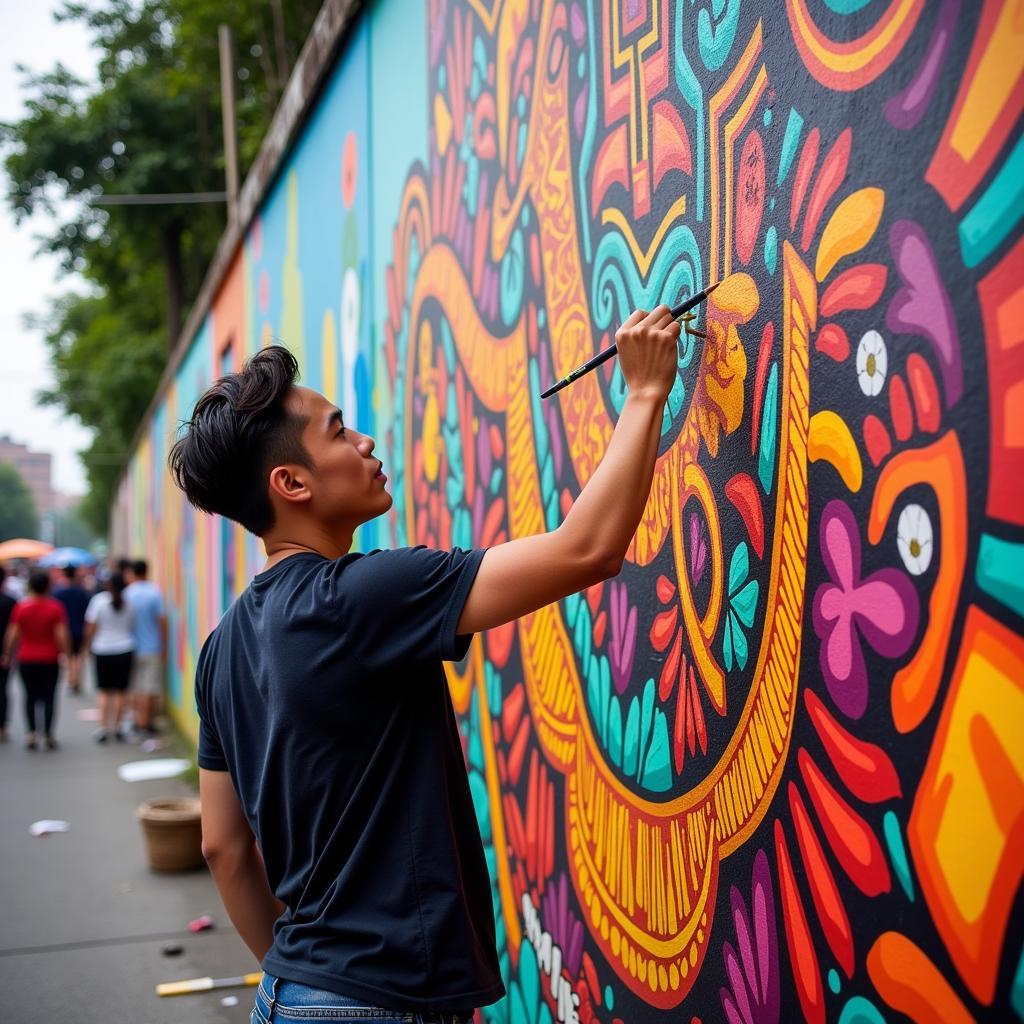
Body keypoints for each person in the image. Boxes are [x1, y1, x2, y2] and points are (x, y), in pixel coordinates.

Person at [169, 308, 682, 1024]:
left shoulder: (221, 649)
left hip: (291, 996)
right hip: (380, 1000)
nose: (365, 440)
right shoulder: (358, 596)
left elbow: (223, 848)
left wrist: (303, 982)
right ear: (292, 484)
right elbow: (585, 549)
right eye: (340, 431)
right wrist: (645, 392)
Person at [2, 567, 71, 750]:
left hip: (26, 658)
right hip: (49, 658)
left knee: (30, 697)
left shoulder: (22, 607)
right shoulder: (55, 607)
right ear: (48, 586)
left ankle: (32, 733)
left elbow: (13, 633)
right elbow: (61, 634)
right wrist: (66, 654)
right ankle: (48, 734)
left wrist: (8, 654)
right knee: (49, 697)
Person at [83, 572, 135, 742]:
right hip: (124, 648)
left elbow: (91, 627)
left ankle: (104, 727)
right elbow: (132, 625)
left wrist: (87, 646)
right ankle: (118, 727)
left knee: (104, 691)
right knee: (121, 691)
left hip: (102, 650)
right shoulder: (129, 601)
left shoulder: (98, 601)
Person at [124, 559, 166, 734]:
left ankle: (137, 720)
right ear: (147, 572)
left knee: (136, 687)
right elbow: (161, 621)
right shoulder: (154, 593)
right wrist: (164, 646)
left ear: (133, 573)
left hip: (130, 647)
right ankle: (146, 723)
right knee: (150, 688)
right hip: (152, 647)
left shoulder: (127, 594)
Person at [53, 565, 91, 695]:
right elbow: (88, 613)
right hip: (80, 628)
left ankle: (71, 680)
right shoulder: (82, 592)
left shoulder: (58, 592)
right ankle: (77, 680)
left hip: (64, 630)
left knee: (68, 656)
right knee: (79, 655)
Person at [0, 566, 17, 742]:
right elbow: (14, 631)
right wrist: (8, 653)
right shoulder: (10, 601)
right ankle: (2, 726)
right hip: (4, 654)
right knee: (3, 690)